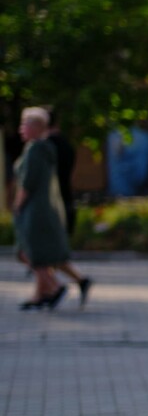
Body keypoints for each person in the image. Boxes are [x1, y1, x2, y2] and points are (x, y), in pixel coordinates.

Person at [13, 107, 75, 310]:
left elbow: (27, 183)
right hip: (44, 208)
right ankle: (40, 294)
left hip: (34, 209)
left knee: (31, 253)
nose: (21, 128)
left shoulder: (35, 150)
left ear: (37, 127)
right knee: (35, 252)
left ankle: (54, 286)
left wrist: (17, 205)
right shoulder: (45, 147)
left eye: (25, 124)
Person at [40, 111, 92, 305]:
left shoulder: (45, 147)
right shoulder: (66, 145)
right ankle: (45, 291)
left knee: (45, 252)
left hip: (52, 205)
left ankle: (59, 286)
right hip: (67, 202)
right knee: (50, 253)